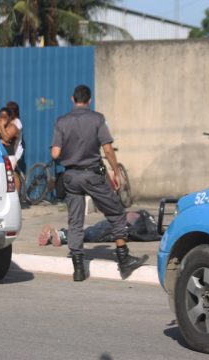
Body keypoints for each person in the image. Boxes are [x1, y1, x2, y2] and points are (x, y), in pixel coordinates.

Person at [51, 84, 148, 281]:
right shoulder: (97, 119)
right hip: (92, 174)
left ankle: (78, 268)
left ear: (72, 99)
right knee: (116, 212)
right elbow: (108, 149)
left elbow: (55, 153)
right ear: (89, 100)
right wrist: (115, 170)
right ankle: (123, 258)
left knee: (75, 222)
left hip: (71, 177)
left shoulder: (61, 122)